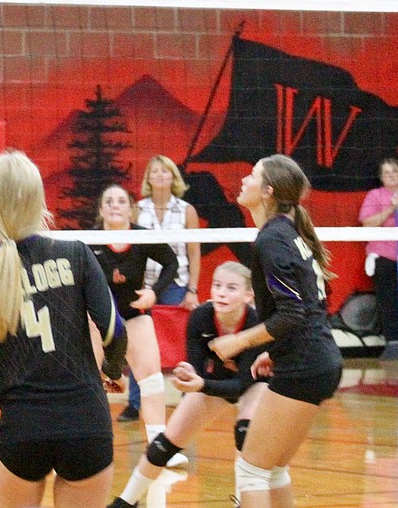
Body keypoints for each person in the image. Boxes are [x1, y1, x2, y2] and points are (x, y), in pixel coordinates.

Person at [0, 150, 128, 508]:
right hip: (86, 424)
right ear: (38, 199)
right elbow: (114, 332)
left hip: (21, 432)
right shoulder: (76, 255)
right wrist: (112, 370)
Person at [210, 154, 342, 508]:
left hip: (307, 364)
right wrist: (276, 349)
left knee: (252, 470)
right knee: (273, 467)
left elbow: (292, 313)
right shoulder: (285, 232)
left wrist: (239, 340)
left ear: (267, 191)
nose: (243, 180)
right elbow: (308, 307)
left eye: (252, 176)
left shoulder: (272, 239)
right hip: (317, 360)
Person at [109, 261, 266, 508]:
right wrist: (189, 375)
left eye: (231, 288)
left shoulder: (256, 324)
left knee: (245, 433)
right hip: (214, 382)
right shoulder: (201, 317)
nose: (221, 292)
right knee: (162, 446)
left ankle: (242, 501)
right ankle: (125, 502)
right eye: (217, 286)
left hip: (253, 387)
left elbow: (242, 384)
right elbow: (197, 369)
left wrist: (201, 382)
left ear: (249, 296)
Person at [89, 184, 186, 466]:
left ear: (130, 208)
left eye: (121, 200)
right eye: (109, 200)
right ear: (101, 209)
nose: (115, 205)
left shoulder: (142, 237)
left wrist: (154, 293)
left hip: (133, 316)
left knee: (152, 379)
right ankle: (91, 445)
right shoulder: (88, 239)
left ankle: (159, 450)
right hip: (97, 321)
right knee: (90, 382)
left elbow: (171, 263)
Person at [119, 155, 202, 423]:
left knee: (178, 343)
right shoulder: (138, 209)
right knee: (137, 344)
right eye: (154, 171)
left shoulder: (186, 209)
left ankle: (185, 398)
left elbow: (193, 251)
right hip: (143, 285)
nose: (160, 175)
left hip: (175, 283)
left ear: (173, 177)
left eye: (165, 171)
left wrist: (192, 289)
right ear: (148, 178)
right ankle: (134, 404)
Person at [359, 157, 398, 343]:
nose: (391, 175)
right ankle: (394, 344)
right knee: (390, 304)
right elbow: (367, 224)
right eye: (386, 173)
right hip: (387, 259)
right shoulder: (375, 196)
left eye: (395, 171)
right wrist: (391, 209)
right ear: (381, 177)